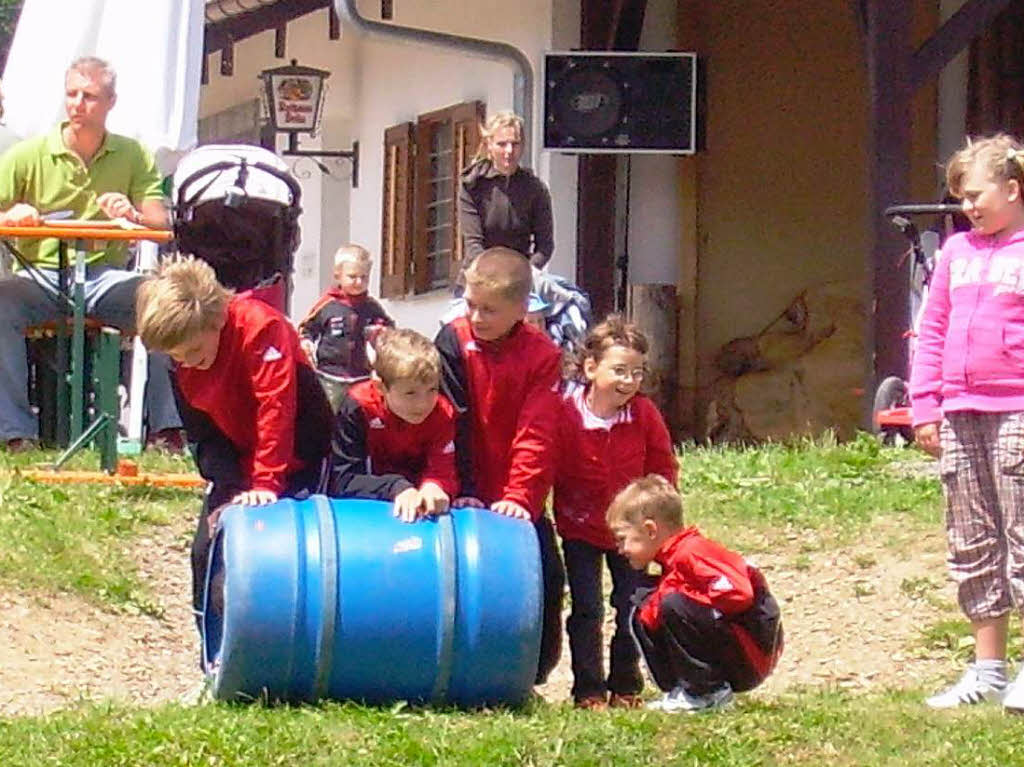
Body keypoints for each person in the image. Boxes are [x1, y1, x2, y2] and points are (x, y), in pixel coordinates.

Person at [135, 256, 332, 624]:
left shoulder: (259, 326)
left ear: (217, 320)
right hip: (239, 456)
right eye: (179, 358)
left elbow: (276, 408)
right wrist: (228, 486)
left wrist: (266, 484)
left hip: (300, 454)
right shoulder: (178, 362)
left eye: (194, 352)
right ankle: (214, 659)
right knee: (206, 549)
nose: (189, 364)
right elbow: (203, 434)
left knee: (290, 552)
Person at [0, 56, 182, 451]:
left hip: (105, 276)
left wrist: (132, 212)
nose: (78, 104)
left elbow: (161, 220)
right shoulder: (28, 154)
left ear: (111, 102)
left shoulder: (131, 153)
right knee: (2, 302)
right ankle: (15, 433)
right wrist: (10, 213)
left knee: (166, 302)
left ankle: (168, 428)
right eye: (72, 94)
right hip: (40, 275)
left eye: (90, 96)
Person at [910, 133, 1024, 711]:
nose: (969, 207)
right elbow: (932, 330)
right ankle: (988, 670)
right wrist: (925, 405)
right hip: (959, 412)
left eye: (977, 195)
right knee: (972, 541)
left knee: (1023, 536)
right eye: (960, 198)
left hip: (1018, 410)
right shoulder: (957, 253)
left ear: (1012, 188)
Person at [435, 246, 566, 684]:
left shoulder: (542, 356)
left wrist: (521, 499)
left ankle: (534, 670)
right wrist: (463, 486)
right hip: (459, 485)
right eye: (471, 304)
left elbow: (538, 432)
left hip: (514, 488)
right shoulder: (453, 340)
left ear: (522, 309)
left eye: (489, 310)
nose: (476, 317)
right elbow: (451, 419)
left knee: (546, 575)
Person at [553, 316, 678, 709]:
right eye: (620, 371)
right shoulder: (565, 413)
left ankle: (625, 684)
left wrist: (663, 521)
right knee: (586, 609)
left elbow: (663, 468)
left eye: (637, 372)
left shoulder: (642, 415)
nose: (629, 381)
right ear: (591, 368)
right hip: (579, 527)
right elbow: (544, 462)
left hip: (633, 533)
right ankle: (588, 689)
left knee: (632, 604)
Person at [607, 475, 783, 713]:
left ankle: (708, 692)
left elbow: (739, 594)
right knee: (646, 602)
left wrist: (679, 596)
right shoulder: (672, 559)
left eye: (622, 540)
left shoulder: (692, 552)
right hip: (735, 650)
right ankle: (684, 689)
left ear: (650, 530)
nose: (620, 550)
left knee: (672, 603)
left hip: (753, 654)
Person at [329, 327, 458, 523]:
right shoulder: (359, 407)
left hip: (418, 504)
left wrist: (436, 485)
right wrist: (396, 487)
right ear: (381, 387)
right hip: (368, 510)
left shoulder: (442, 412)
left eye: (432, 389)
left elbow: (444, 468)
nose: (423, 404)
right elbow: (343, 479)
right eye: (410, 393)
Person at [456, 111, 553, 289]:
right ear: (489, 145)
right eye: (502, 144)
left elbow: (545, 247)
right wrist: (494, 278)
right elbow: (473, 244)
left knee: (572, 308)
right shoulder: (471, 185)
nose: (509, 151)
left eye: (515, 144)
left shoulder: (535, 188)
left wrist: (521, 274)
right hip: (478, 278)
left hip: (522, 280)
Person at [299, 244, 394, 411]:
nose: (359, 282)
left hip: (361, 376)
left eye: (364, 278)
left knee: (360, 413)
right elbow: (306, 328)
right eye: (352, 276)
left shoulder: (371, 306)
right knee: (328, 413)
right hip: (330, 376)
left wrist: (381, 331)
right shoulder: (327, 304)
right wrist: (306, 342)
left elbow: (389, 327)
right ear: (338, 275)